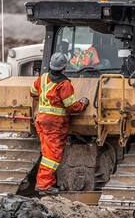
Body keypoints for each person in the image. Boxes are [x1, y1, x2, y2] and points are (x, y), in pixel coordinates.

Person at [30, 52, 89, 194]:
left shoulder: (42, 78)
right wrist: (83, 103)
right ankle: (44, 185)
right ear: (64, 67)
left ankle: (46, 183)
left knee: (46, 152)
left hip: (41, 120)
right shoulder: (64, 84)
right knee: (52, 155)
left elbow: (33, 93)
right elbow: (72, 107)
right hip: (54, 124)